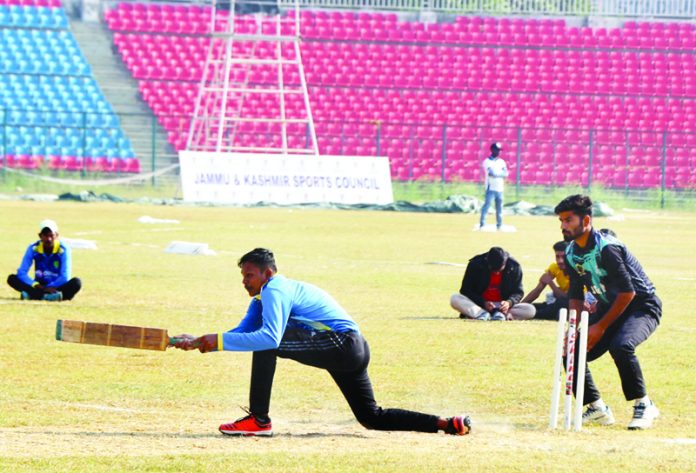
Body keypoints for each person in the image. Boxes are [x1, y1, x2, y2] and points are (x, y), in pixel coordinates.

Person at [174, 248, 471, 437]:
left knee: (268, 342)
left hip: (341, 344)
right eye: (242, 276)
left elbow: (267, 339)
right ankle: (446, 423)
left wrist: (217, 341)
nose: (244, 281)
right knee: (371, 417)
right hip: (352, 347)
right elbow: (240, 333)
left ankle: (259, 420)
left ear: (268, 273)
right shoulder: (264, 297)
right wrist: (200, 341)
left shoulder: (276, 289)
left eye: (249, 275)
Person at [555, 195, 661, 430]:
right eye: (561, 221)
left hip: (642, 306)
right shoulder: (572, 252)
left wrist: (599, 327)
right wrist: (574, 328)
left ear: (586, 220)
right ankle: (596, 408)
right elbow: (575, 294)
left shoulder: (607, 248)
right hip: (609, 308)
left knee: (621, 346)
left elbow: (628, 293)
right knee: (571, 351)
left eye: (568, 220)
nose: (563, 226)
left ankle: (644, 404)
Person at [450, 247, 535, 321]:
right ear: (487, 261)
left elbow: (518, 292)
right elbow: (465, 290)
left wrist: (509, 302)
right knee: (455, 298)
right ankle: (482, 314)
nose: (497, 273)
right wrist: (483, 303)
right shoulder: (476, 264)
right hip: (479, 305)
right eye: (494, 270)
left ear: (505, 263)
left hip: (502, 307)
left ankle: (500, 315)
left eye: (499, 270)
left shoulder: (514, 266)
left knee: (530, 310)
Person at [7, 219, 82, 301]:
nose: (48, 239)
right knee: (12, 278)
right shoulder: (34, 248)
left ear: (56, 235)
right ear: (40, 236)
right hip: (39, 285)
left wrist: (51, 286)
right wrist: (35, 284)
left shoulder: (64, 249)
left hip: (56, 285)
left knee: (76, 283)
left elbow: (65, 276)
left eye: (51, 235)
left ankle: (33, 294)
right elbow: (22, 272)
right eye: (45, 235)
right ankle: (51, 297)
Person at [479, 142, 508, 230]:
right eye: (497, 150)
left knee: (499, 208)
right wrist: (500, 174)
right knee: (487, 206)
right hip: (491, 188)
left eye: (500, 150)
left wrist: (498, 174)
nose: (499, 152)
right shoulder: (487, 161)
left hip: (500, 188)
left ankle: (499, 225)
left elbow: (506, 173)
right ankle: (482, 224)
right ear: (492, 150)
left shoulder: (502, 162)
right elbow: (491, 173)